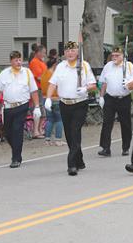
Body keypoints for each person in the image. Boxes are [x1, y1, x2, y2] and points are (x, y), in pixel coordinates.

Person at [45, 41, 97, 176]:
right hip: (64, 104)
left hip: (80, 103)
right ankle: (79, 160)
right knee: (69, 134)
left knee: (75, 130)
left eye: (73, 50)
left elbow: (93, 84)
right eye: (67, 51)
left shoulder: (84, 66)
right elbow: (52, 83)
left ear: (77, 52)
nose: (70, 53)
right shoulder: (61, 67)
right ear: (64, 53)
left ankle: (72, 164)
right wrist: (48, 98)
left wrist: (85, 88)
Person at [0, 51, 41, 168]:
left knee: (17, 129)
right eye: (16, 60)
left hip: (22, 105)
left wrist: (37, 106)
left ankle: (16, 158)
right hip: (8, 107)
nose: (18, 62)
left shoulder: (27, 73)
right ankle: (17, 149)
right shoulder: (4, 74)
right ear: (11, 61)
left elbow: (33, 90)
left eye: (20, 60)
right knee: (8, 132)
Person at [97, 46, 133, 157]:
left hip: (124, 98)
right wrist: (101, 96)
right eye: (113, 55)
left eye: (117, 55)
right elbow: (104, 82)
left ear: (123, 56)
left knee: (126, 123)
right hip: (110, 98)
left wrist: (128, 83)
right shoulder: (108, 66)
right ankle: (105, 147)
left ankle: (126, 147)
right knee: (107, 123)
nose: (114, 57)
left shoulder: (128, 66)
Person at [41, 57, 65, 147]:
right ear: (55, 65)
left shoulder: (44, 74)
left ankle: (47, 139)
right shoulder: (55, 75)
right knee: (59, 119)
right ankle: (58, 139)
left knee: (50, 119)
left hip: (45, 98)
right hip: (55, 99)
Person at [29, 45, 47, 139]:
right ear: (38, 52)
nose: (45, 54)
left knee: (43, 110)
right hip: (37, 89)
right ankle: (36, 131)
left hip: (42, 89)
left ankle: (39, 129)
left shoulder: (41, 62)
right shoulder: (34, 62)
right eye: (43, 52)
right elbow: (39, 77)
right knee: (39, 109)